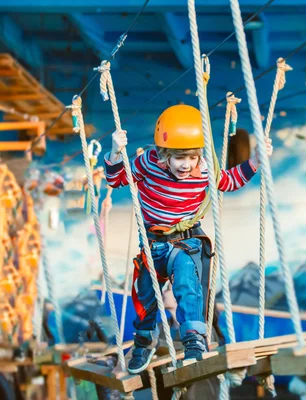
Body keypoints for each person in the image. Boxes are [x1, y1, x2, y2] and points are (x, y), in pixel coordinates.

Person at [104, 104, 273, 374]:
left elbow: (228, 182)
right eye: (179, 158)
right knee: (146, 293)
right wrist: (114, 152)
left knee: (187, 280)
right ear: (163, 155)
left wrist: (255, 161)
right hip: (153, 244)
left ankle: (194, 337)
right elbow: (116, 180)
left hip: (185, 242)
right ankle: (145, 340)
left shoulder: (204, 171)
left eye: (192, 158)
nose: (187, 165)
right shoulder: (148, 163)